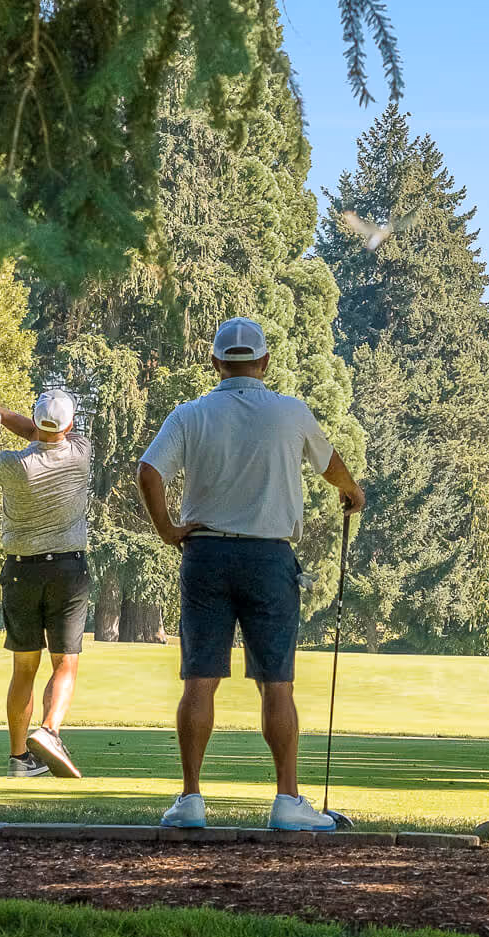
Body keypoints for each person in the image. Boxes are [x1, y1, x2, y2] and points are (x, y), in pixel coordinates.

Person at [136, 317, 366, 832]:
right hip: (269, 558)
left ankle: (191, 798)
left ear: (216, 363)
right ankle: (288, 800)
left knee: (200, 680)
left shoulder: (190, 414)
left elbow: (148, 472)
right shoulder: (290, 411)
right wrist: (351, 491)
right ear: (264, 362)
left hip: (206, 555)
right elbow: (331, 465)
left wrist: (169, 529)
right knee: (277, 685)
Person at [0, 385, 93, 779]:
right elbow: (41, 433)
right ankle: (50, 729)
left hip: (21, 570)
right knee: (65, 662)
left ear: (37, 421)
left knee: (24, 669)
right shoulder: (81, 452)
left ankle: (20, 759)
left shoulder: (10, 464)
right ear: (70, 425)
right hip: (67, 570)